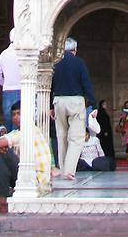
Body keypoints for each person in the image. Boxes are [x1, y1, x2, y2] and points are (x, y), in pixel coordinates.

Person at [0, 101, 52, 213]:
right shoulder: (17, 132)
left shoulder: (30, 130)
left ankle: (1, 200)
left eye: (19, 114)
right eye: (13, 114)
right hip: (25, 176)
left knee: (3, 153)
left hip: (36, 182)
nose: (16, 117)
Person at [51, 36, 96, 179]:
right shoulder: (79, 63)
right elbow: (86, 83)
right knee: (76, 138)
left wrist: (49, 106)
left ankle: (63, 167)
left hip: (58, 100)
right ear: (75, 50)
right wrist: (94, 103)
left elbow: (49, 84)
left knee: (61, 136)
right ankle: (69, 171)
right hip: (76, 101)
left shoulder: (55, 62)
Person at [0, 28, 22, 135]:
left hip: (8, 93)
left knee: (9, 125)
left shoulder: (4, 54)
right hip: (23, 91)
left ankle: (9, 149)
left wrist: (6, 83)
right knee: (22, 126)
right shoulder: (24, 53)